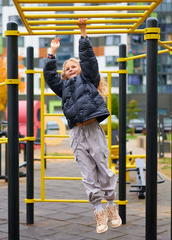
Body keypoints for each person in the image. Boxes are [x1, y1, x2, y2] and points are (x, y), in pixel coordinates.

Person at [43, 18, 122, 234]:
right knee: (87, 173)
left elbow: (88, 61)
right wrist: (52, 52)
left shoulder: (89, 79)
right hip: (76, 133)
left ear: (80, 69)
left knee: (103, 169)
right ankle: (98, 213)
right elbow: (50, 77)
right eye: (67, 68)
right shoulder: (63, 88)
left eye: (73, 66)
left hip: (92, 129)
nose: (70, 69)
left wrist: (83, 32)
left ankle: (112, 207)